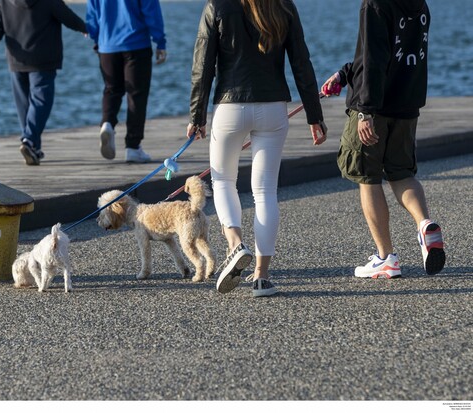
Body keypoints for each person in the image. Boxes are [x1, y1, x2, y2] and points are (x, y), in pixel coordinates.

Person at [187, 0, 327, 297]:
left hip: (230, 106)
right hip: (273, 107)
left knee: (223, 181)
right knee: (265, 191)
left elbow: (203, 65)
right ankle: (262, 277)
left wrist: (197, 116)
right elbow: (301, 62)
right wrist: (315, 116)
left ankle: (236, 245)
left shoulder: (218, 5)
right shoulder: (282, 5)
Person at [321, 0, 445, 279]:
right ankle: (425, 225)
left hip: (374, 106)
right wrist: (345, 73)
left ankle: (385, 257)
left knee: (368, 177)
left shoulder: (374, 4)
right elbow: (393, 52)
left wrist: (365, 112)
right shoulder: (419, 5)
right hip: (407, 104)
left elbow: (375, 57)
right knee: (402, 174)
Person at [0, 0, 87, 166]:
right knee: (41, 101)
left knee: (24, 105)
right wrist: (84, 28)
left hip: (17, 60)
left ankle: (32, 147)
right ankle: (29, 141)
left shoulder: (5, 2)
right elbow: (68, 17)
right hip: (43, 60)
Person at [86, 0, 167, 163]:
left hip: (107, 45)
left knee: (111, 89)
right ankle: (133, 147)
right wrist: (160, 41)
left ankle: (107, 124)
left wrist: (96, 38)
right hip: (137, 45)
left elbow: (92, 15)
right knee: (136, 95)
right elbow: (151, 11)